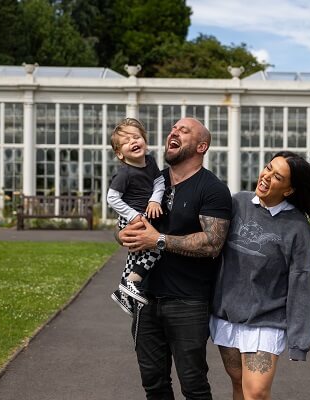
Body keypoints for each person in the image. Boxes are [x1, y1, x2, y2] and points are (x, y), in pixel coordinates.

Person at [210, 151, 310, 400]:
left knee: (256, 393)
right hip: (227, 316)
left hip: (266, 321)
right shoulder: (238, 203)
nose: (266, 176)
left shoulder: (298, 228)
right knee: (239, 386)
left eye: (277, 176)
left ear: (289, 190)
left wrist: (300, 340)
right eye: (268, 168)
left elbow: (304, 281)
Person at [118, 117, 232, 400]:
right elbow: (126, 225)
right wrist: (122, 236)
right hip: (145, 298)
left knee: (193, 385)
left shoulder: (212, 189)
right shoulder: (149, 182)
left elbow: (212, 243)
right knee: (153, 384)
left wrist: (157, 239)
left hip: (188, 301)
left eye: (184, 130)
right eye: (173, 128)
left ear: (201, 146)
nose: (174, 132)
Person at [106, 117, 165, 315]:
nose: (133, 141)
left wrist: (155, 200)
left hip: (143, 214)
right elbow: (112, 198)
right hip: (131, 217)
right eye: (126, 141)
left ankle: (123, 289)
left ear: (145, 141)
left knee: (135, 255)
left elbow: (158, 183)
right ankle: (132, 282)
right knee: (155, 248)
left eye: (136, 137)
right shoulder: (125, 173)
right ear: (120, 154)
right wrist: (132, 216)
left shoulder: (150, 162)